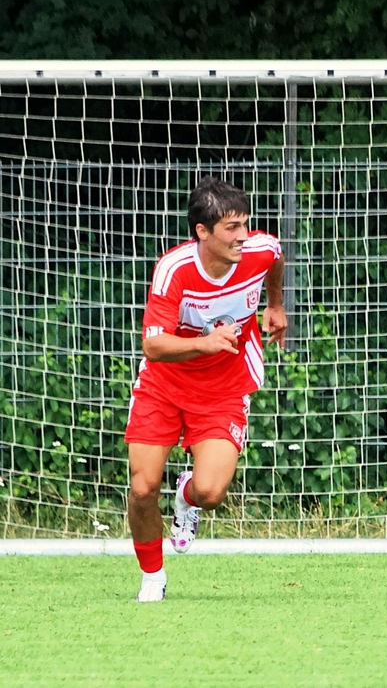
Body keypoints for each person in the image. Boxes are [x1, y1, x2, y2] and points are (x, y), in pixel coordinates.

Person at [124, 176, 287, 602]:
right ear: (203, 231)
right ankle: (153, 577)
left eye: (245, 224)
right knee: (142, 488)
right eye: (232, 228)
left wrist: (274, 304)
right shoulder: (174, 270)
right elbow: (153, 346)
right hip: (164, 385)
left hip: (225, 388)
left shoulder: (259, 250)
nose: (243, 235)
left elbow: (275, 258)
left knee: (210, 492)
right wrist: (204, 343)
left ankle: (186, 495)